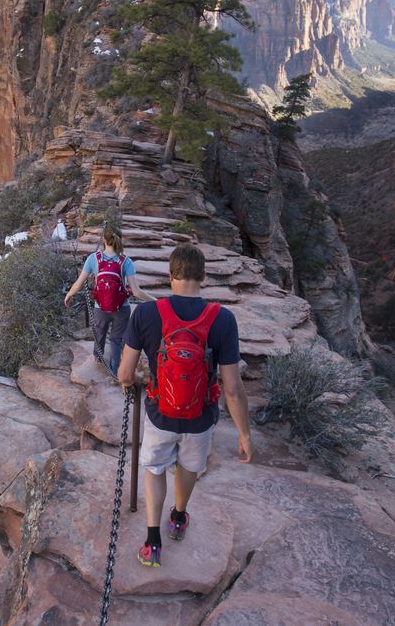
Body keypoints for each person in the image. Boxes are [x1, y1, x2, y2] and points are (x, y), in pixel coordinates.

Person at [117, 242, 254, 569]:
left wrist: (129, 383)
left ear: (170, 275)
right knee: (189, 468)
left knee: (154, 468)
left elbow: (124, 372)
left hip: (159, 412)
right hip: (200, 417)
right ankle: (178, 517)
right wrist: (245, 434)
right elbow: (233, 388)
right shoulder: (223, 319)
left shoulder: (147, 314)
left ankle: (153, 541)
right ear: (203, 276)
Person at [64, 223, 153, 375]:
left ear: (104, 240)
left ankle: (97, 359)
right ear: (120, 240)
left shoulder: (94, 259)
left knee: (99, 334)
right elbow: (137, 292)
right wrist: (156, 300)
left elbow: (79, 283)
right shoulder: (126, 261)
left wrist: (69, 294)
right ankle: (114, 370)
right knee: (116, 340)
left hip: (100, 307)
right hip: (122, 307)